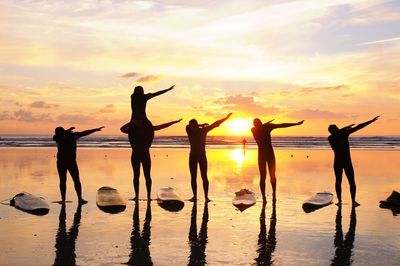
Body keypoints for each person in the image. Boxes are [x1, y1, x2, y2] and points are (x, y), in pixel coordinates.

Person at [121, 119, 181, 201]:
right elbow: (122, 129)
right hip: (141, 154)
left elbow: (123, 128)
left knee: (144, 176)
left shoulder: (136, 130)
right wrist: (132, 123)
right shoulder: (137, 129)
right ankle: (140, 196)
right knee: (139, 175)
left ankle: (146, 196)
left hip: (140, 154)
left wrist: (172, 122)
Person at [328, 116, 379, 206]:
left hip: (338, 162)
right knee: (350, 181)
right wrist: (371, 121)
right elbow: (358, 127)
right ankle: (351, 201)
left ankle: (341, 201)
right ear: (336, 129)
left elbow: (357, 127)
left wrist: (345, 128)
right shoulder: (342, 134)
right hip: (346, 161)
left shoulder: (331, 138)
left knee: (340, 181)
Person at [252, 118, 304, 202]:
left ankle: (265, 197)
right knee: (271, 175)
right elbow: (281, 125)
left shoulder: (254, 129)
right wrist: (296, 124)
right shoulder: (266, 127)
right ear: (260, 123)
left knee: (263, 176)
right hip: (269, 153)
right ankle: (273, 194)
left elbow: (281, 125)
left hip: (261, 154)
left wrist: (264, 125)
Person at [186, 113, 232, 202]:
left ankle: (206, 197)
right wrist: (200, 124)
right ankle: (194, 196)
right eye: (191, 126)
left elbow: (215, 124)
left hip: (202, 156)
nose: (192, 128)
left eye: (193, 126)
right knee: (193, 176)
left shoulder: (203, 130)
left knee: (204, 176)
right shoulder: (189, 130)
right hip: (192, 156)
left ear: (196, 125)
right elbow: (187, 125)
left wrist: (226, 118)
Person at [53, 126, 104, 204]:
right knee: (63, 180)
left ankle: (80, 199)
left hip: (71, 162)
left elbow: (84, 132)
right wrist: (68, 130)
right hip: (61, 162)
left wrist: (95, 129)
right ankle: (63, 199)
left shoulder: (73, 136)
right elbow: (61, 137)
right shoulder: (57, 137)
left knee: (76, 180)